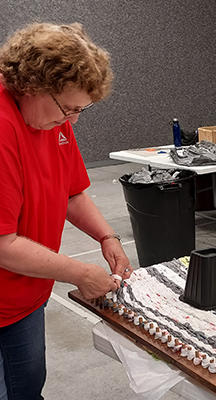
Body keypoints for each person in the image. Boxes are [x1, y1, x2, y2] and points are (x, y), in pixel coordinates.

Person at [0, 23, 132, 398]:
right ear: (32, 85)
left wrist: (107, 236)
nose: (72, 121)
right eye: (68, 108)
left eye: (81, 111)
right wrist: (81, 273)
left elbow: (72, 194)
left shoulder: (52, 120)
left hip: (24, 294)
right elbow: (3, 243)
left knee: (27, 389)